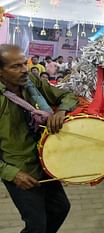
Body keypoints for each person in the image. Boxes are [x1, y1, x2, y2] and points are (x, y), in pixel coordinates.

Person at [0, 44, 78, 232]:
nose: (24, 69)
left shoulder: (32, 81)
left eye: (24, 63)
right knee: (36, 225)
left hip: (46, 160)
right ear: (1, 72)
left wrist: (61, 110)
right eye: (16, 66)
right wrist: (13, 174)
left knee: (60, 208)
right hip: (20, 169)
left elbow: (67, 95)